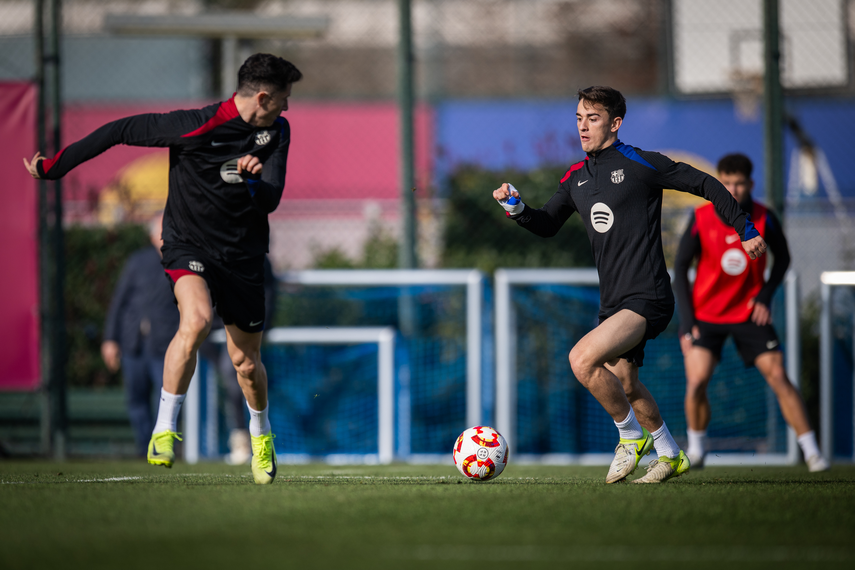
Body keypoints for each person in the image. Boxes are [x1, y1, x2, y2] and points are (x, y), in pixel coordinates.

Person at [24, 53, 302, 484]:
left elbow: (270, 199)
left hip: (243, 256)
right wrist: (56, 166)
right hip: (188, 245)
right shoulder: (195, 125)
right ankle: (164, 428)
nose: (287, 107)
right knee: (195, 320)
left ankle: (261, 435)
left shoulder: (277, 132)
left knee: (245, 364)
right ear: (263, 96)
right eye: (284, 98)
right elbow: (120, 130)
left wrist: (251, 179)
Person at [493, 86, 767, 484]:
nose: (583, 126)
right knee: (625, 383)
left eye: (593, 118)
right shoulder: (575, 177)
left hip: (648, 295)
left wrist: (743, 226)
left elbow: (705, 184)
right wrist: (517, 209)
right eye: (579, 118)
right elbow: (548, 224)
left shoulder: (640, 163)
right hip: (615, 302)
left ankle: (629, 438)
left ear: (615, 123)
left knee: (581, 359)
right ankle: (670, 453)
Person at [674, 153, 829, 472]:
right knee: (697, 382)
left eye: (739, 183)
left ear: (750, 184)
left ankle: (812, 452)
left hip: (749, 315)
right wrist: (687, 324)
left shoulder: (763, 217)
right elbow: (679, 269)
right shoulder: (701, 218)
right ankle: (698, 449)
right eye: (726, 183)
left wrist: (765, 297)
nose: (732, 189)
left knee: (779, 377)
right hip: (707, 316)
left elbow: (783, 259)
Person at [102, 212, 180, 457]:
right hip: (133, 344)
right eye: (159, 230)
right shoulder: (137, 262)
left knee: (166, 397)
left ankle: (165, 447)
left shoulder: (180, 262)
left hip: (165, 346)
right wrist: (110, 339)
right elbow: (119, 302)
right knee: (136, 400)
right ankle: (143, 447)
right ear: (150, 235)